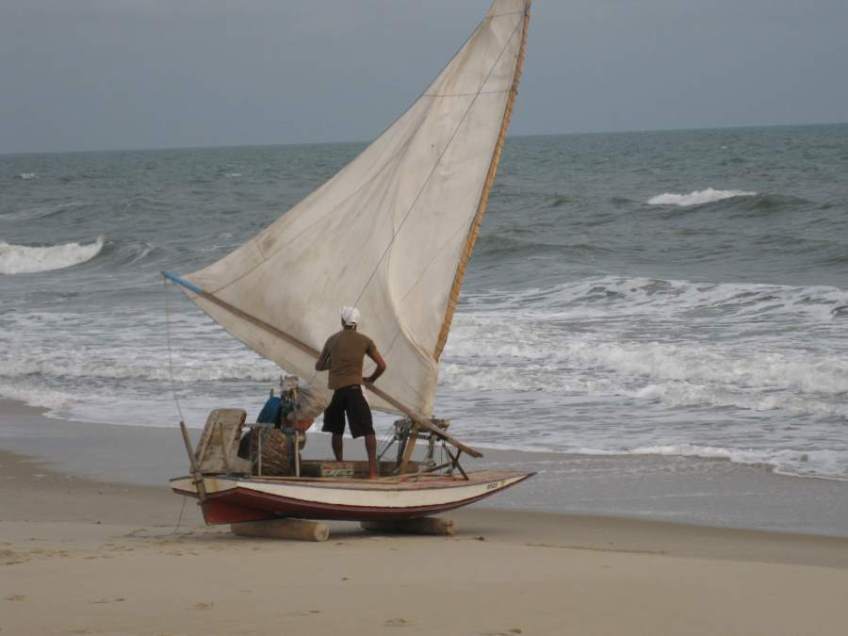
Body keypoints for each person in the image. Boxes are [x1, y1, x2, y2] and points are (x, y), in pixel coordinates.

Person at [314, 306, 387, 479]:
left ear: (342, 322)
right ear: (356, 324)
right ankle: (372, 472)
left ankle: (340, 465)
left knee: (336, 430)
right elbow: (382, 365)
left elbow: (318, 366)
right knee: (368, 431)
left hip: (336, 392)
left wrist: (334, 363)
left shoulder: (332, 340)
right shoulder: (365, 341)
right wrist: (370, 379)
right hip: (355, 389)